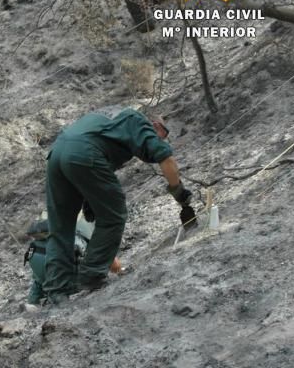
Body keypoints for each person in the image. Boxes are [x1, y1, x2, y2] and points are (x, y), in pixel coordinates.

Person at [43, 108, 194, 304]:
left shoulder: (110, 123)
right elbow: (167, 159)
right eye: (163, 136)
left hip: (57, 153)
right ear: (156, 126)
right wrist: (179, 193)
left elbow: (86, 154)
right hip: (83, 153)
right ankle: (91, 275)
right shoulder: (137, 121)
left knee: (60, 226)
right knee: (114, 215)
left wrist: (90, 200)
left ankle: (57, 293)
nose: (161, 140)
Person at [25, 212, 122, 306]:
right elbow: (109, 258)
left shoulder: (53, 213)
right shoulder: (84, 220)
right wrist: (119, 270)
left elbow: (38, 277)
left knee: (42, 272)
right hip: (67, 276)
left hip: (37, 259)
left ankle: (33, 302)